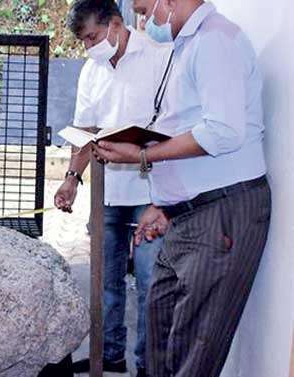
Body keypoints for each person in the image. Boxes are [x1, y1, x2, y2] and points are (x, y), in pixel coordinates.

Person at [93, 0, 271, 376]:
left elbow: (223, 132)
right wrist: (164, 203)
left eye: (145, 10)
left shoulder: (214, 41)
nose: (144, 21)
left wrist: (142, 157)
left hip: (221, 213)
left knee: (193, 348)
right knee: (161, 326)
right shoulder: (187, 45)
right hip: (189, 214)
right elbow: (185, 126)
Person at [54, 1, 170, 375]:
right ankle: (110, 355)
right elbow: (84, 132)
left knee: (152, 283)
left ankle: (146, 365)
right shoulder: (92, 70)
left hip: (150, 194)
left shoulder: (158, 58)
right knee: (105, 282)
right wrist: (72, 179)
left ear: (116, 24)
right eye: (83, 41)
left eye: (92, 37)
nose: (89, 47)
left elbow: (173, 124)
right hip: (107, 194)